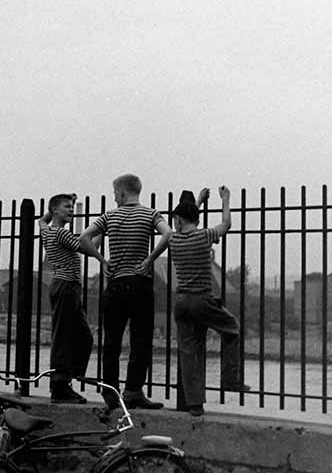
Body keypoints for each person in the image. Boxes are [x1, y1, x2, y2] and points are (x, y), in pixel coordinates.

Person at [78, 174, 171, 412]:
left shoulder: (109, 216)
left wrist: (102, 260)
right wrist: (150, 259)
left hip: (116, 284)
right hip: (140, 283)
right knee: (141, 341)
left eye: (114, 193)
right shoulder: (150, 214)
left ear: (121, 192)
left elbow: (84, 238)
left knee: (112, 340)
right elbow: (168, 234)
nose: (114, 197)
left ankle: (110, 391)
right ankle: (133, 391)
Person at [167, 185, 245, 417]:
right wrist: (226, 200)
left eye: (175, 219)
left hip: (180, 302)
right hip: (202, 300)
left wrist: (198, 202)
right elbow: (226, 224)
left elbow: (185, 222)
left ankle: (194, 405)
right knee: (232, 329)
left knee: (189, 352)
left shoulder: (174, 240)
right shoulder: (204, 237)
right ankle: (231, 379)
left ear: (178, 220)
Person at [39, 193, 104, 403]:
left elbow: (42, 219)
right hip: (67, 286)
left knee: (83, 336)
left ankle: (68, 377)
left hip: (66, 287)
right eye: (67, 207)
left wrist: (55, 206)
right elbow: (88, 248)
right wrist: (103, 229)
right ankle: (60, 385)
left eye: (72, 207)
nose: (71, 210)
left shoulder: (46, 230)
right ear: (56, 210)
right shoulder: (60, 234)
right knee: (65, 336)